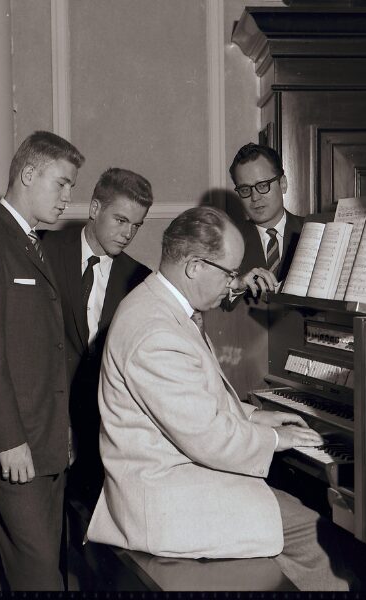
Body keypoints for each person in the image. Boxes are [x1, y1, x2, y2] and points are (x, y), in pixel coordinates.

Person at [86, 206, 350, 591]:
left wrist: (253, 416)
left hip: (175, 479)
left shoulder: (160, 305)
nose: (232, 285)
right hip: (166, 502)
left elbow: (192, 398)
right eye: (229, 273)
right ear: (195, 266)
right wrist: (278, 439)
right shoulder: (156, 332)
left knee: (295, 507)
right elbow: (209, 438)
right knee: (318, 537)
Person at [0, 130, 84, 591]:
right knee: (40, 576)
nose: (68, 198)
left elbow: (45, 352)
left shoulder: (28, 242)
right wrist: (9, 441)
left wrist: (61, 431)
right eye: (62, 183)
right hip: (14, 447)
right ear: (28, 174)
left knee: (22, 570)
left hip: (44, 441)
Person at [42, 168, 152, 587]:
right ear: (94, 208)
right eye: (120, 220)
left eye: (136, 225)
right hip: (46, 419)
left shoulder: (139, 277)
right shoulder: (43, 251)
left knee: (95, 550)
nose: (128, 234)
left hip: (103, 428)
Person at [224, 143, 304, 303]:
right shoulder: (226, 241)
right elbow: (210, 298)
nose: (255, 198)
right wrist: (237, 285)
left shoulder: (313, 231)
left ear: (283, 184)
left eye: (262, 186)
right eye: (245, 190)